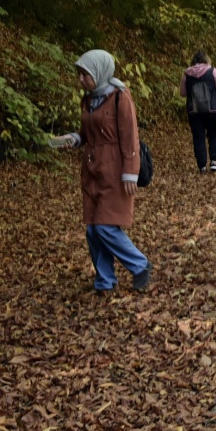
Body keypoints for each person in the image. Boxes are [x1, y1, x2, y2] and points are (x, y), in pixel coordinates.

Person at [51, 50, 151, 295]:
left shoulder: (120, 96)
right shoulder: (88, 99)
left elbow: (131, 136)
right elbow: (87, 133)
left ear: (99, 71)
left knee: (105, 227)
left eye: (85, 74)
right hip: (93, 170)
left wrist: (130, 172)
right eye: (80, 74)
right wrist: (74, 139)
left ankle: (140, 265)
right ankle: (104, 280)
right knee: (93, 229)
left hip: (115, 169)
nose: (81, 80)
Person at [181, 51, 216, 173]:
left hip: (194, 111)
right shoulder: (212, 71)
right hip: (213, 109)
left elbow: (183, 93)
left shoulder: (186, 73)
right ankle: (214, 162)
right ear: (206, 59)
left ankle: (202, 166)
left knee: (198, 137)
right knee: (213, 135)